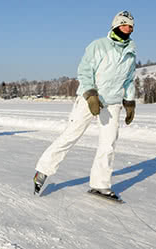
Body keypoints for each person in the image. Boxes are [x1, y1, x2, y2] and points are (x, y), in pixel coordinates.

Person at [33, 11, 137, 200]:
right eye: (124, 25)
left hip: (112, 102)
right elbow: (85, 71)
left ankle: (100, 184)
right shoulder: (98, 46)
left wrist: (129, 102)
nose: (127, 29)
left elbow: (129, 80)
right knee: (71, 135)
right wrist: (90, 95)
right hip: (89, 99)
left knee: (108, 144)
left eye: (130, 26)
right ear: (115, 26)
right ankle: (42, 171)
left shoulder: (131, 52)